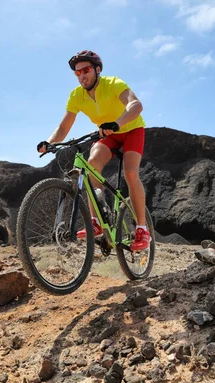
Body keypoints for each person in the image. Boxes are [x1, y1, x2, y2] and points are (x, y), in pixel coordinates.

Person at [37, 50, 150, 251]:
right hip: (108, 134)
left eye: (86, 70)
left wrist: (117, 123)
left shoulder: (113, 83)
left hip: (131, 128)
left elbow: (136, 105)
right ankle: (97, 221)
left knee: (131, 173)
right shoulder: (76, 96)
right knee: (91, 166)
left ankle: (142, 228)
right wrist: (49, 142)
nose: (82, 75)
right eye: (77, 72)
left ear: (97, 69)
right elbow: (64, 128)